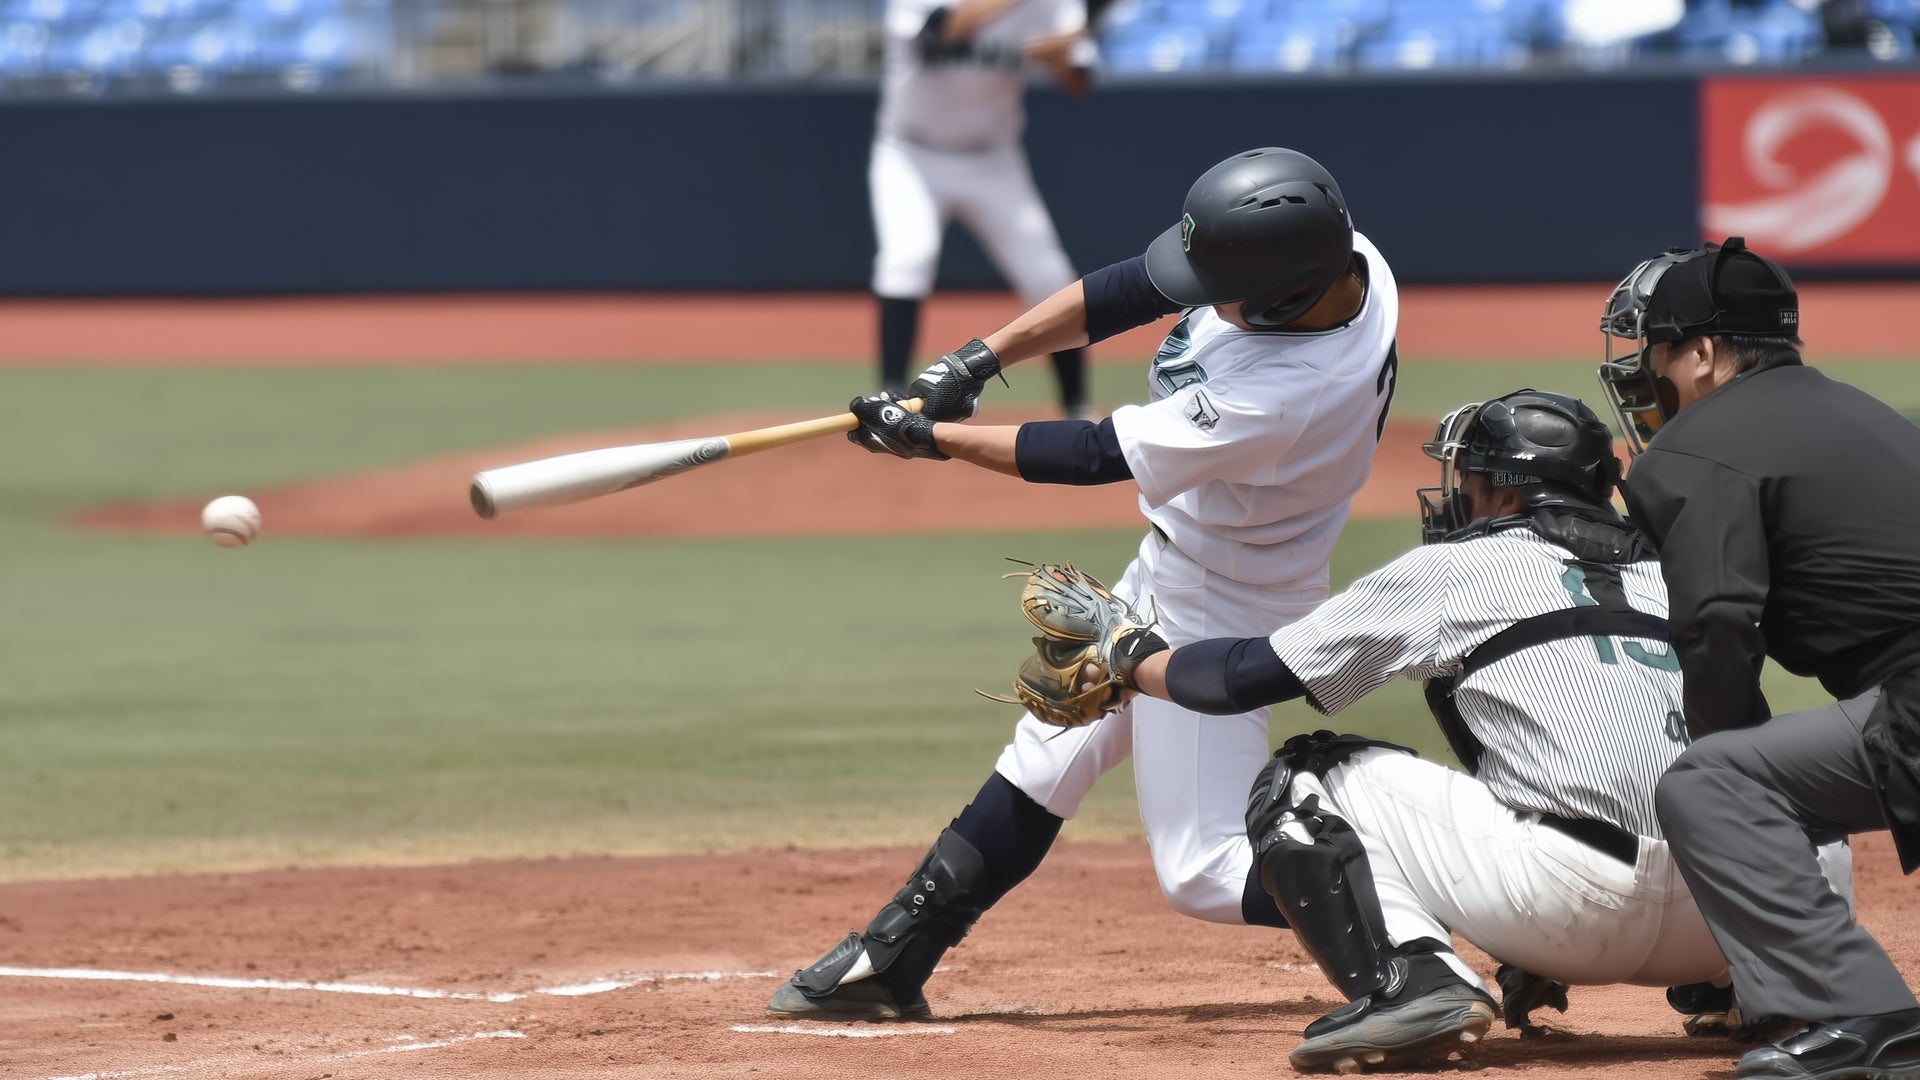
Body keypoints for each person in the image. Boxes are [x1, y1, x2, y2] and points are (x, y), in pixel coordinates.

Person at [767, 146, 1401, 1020]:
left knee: (1203, 872)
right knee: (1046, 757)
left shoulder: (1291, 389)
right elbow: (1132, 290)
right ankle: (895, 957)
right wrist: (974, 360)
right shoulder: (1338, 258)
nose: (1198, 296)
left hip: (1224, 605)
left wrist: (931, 440)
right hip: (1190, 561)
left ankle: (1435, 898)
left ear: (1283, 295)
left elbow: (1095, 453)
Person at [1047, 389, 1768, 1072]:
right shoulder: (1677, 572)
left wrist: (1131, 656)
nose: (1458, 496)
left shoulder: (1457, 568)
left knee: (1305, 775)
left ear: (1509, 496)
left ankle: (1413, 982)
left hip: (1570, 906)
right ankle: (1741, 991)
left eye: (1472, 480)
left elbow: (1237, 679)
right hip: (1742, 915)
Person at [1598, 237, 1920, 1080]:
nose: (1647, 371)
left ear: (1703, 353)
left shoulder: (1692, 448)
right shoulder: (1865, 411)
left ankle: (1861, 1016)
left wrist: (1732, 766)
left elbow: (1716, 625)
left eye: (1657, 350)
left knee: (1713, 785)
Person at [870, 0, 1096, 418]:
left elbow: (1078, 82)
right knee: (908, 258)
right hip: (911, 156)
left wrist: (1062, 54)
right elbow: (946, 30)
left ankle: (1076, 408)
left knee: (1049, 275)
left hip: (994, 160)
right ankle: (889, 401)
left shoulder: (1055, 6)